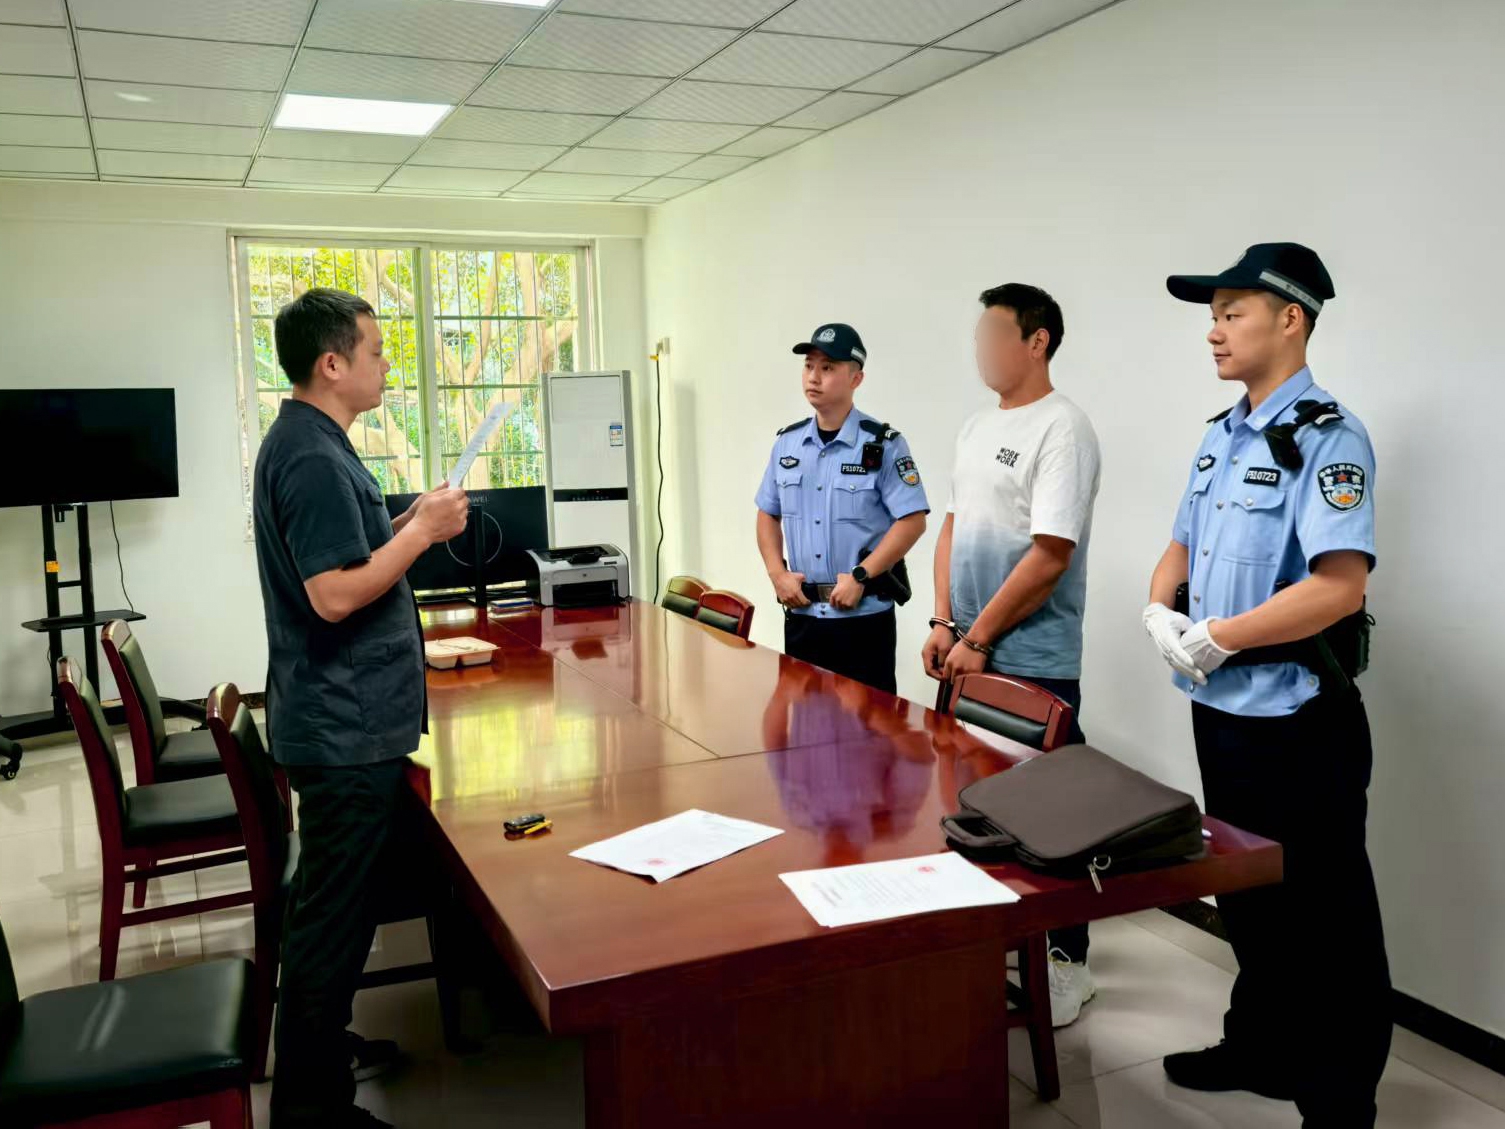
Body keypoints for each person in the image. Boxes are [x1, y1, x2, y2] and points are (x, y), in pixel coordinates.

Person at [1145, 243, 1391, 1127]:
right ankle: (1259, 1047)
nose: (1212, 331)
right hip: (1222, 709)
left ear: (1290, 318)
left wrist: (1220, 634)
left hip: (1298, 715)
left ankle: (1338, 1098)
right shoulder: (1221, 434)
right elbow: (1180, 540)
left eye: (1230, 313)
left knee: (1324, 912)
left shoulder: (1328, 435)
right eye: (1212, 315)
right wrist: (1159, 607)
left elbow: (1338, 586)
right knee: (1247, 894)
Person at [253, 288, 470, 1129]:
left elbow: (351, 547)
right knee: (332, 925)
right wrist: (417, 534)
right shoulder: (310, 456)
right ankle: (313, 1109)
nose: (386, 365)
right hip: (342, 725)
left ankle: (322, 1051)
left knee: (333, 911)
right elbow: (334, 594)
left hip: (347, 718)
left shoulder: (314, 441)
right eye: (376, 352)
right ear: (331, 363)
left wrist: (410, 518)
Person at [922, 283, 1103, 1027]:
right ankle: (999, 939)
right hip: (967, 650)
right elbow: (952, 525)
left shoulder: (1063, 428)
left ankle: (1066, 962)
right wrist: (944, 621)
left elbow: (1050, 554)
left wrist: (979, 637)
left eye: (995, 334)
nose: (981, 348)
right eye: (978, 335)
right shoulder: (975, 426)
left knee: (1050, 816)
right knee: (976, 805)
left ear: (1036, 342)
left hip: (1030, 656)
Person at [755, 323, 929, 694]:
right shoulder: (787, 444)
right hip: (803, 617)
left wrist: (862, 575)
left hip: (862, 621)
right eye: (808, 366)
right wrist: (776, 573)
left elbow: (912, 521)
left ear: (856, 378)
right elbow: (767, 511)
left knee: (867, 726)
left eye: (828, 367)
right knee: (807, 723)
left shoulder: (883, 445)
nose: (813, 377)